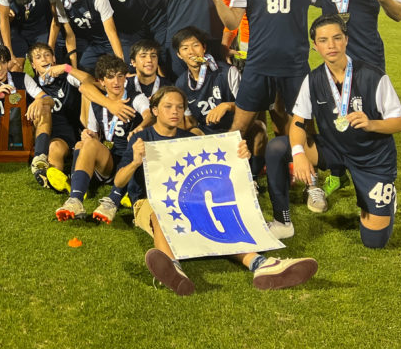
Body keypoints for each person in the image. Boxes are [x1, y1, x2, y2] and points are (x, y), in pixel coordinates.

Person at [116, 86, 318, 295]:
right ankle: (172, 267)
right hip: (148, 201)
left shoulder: (190, 138)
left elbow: (211, 172)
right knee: (161, 214)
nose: (175, 111)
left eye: (179, 107)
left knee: (221, 214)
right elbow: (119, 181)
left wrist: (240, 157)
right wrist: (134, 162)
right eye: (168, 106)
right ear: (155, 110)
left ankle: (260, 263)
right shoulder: (141, 139)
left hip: (188, 199)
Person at [264, 14, 401, 246]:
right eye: (323, 40)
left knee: (374, 240)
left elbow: (400, 122)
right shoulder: (313, 80)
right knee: (278, 147)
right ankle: (283, 222)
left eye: (336, 38)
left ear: (346, 40)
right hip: (333, 150)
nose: (331, 45)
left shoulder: (373, 76)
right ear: (315, 46)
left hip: (372, 158)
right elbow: (298, 123)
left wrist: (372, 124)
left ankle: (383, 199)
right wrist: (299, 154)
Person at [205, 0, 314, 178]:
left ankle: (307, 177)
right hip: (257, 59)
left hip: (293, 64)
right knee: (240, 124)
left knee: (296, 122)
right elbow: (232, 20)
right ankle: (228, 176)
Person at [26, 42, 137, 191]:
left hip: (69, 132)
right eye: (38, 57)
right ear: (33, 64)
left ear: (53, 59)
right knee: (50, 133)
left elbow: (91, 83)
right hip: (45, 131)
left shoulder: (66, 77)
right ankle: (55, 178)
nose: (44, 59)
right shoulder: (30, 84)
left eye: (47, 55)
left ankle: (62, 178)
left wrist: (67, 68)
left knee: (55, 148)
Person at [56, 55, 152, 223]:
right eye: (110, 76)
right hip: (111, 160)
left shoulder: (136, 98)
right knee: (84, 143)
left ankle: (112, 201)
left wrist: (140, 127)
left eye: (120, 76)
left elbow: (149, 116)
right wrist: (88, 135)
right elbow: (93, 132)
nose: (116, 81)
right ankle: (76, 200)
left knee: (131, 150)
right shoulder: (98, 102)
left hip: (133, 159)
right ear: (101, 81)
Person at [0, 44, 52, 179]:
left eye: (3, 62)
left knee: (45, 106)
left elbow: (49, 100)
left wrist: (39, 101)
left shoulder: (22, 78)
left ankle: (39, 157)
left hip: (25, 134)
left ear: (8, 63)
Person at [49, 0, 123, 72]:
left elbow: (111, 32)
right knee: (83, 68)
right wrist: (74, 69)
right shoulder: (60, 2)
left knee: (123, 69)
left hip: (113, 40)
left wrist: (120, 62)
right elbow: (70, 36)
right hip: (93, 44)